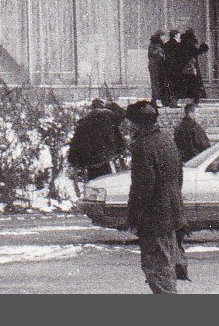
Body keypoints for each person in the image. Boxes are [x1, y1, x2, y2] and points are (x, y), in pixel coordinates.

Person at [125, 100, 187, 292]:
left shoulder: (143, 147)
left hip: (154, 216)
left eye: (130, 122)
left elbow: (142, 187)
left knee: (157, 267)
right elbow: (179, 176)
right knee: (167, 263)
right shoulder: (166, 140)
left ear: (137, 124)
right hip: (172, 211)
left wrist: (133, 217)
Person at [67, 99, 126, 182]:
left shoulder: (85, 121)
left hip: (90, 160)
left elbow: (76, 143)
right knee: (106, 183)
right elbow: (123, 114)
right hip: (104, 158)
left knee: (96, 184)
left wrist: (75, 161)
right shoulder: (108, 118)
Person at [175, 30, 207, 101]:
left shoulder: (182, 43)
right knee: (194, 82)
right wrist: (204, 46)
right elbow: (196, 52)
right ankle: (195, 99)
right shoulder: (191, 43)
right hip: (191, 65)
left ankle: (182, 97)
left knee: (185, 82)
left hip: (183, 66)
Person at [146, 32, 169, 107]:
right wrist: (160, 52)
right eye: (163, 36)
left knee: (160, 84)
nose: (164, 38)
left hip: (158, 66)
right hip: (155, 66)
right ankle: (156, 101)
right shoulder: (155, 44)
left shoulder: (158, 44)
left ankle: (160, 101)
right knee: (156, 84)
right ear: (160, 36)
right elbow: (153, 53)